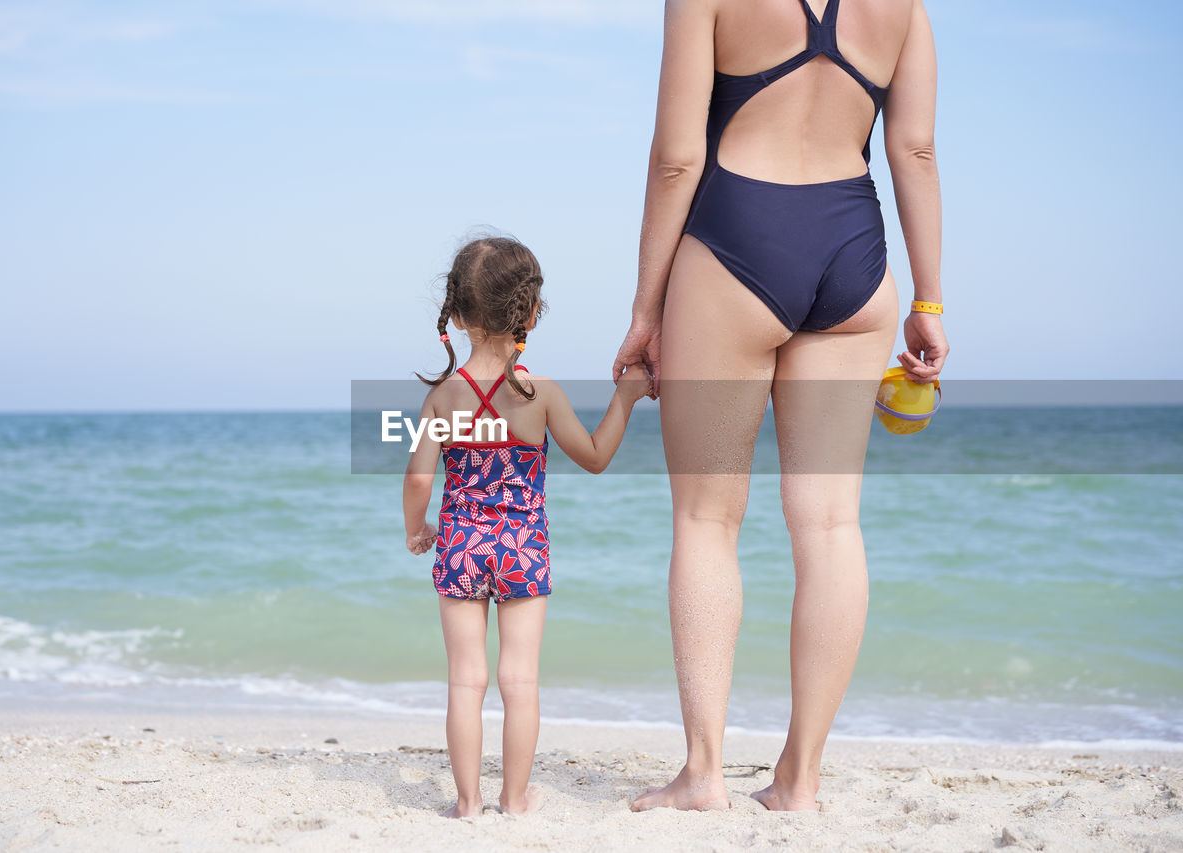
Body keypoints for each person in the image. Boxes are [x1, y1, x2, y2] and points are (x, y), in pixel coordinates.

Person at [612, 0, 949, 812]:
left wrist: (646, 311)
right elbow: (914, 150)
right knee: (831, 523)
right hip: (855, 260)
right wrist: (929, 304)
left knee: (705, 518)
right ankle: (799, 779)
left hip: (735, 241)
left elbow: (676, 159)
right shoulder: (903, 7)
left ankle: (702, 774)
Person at [404, 235, 652, 817]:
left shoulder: (442, 398)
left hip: (461, 543)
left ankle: (466, 805)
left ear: (458, 316)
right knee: (520, 682)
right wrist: (627, 398)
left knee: (467, 681)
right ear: (531, 314)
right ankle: (514, 802)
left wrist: (417, 530)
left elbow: (418, 481)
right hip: (523, 547)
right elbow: (594, 456)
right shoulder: (541, 395)